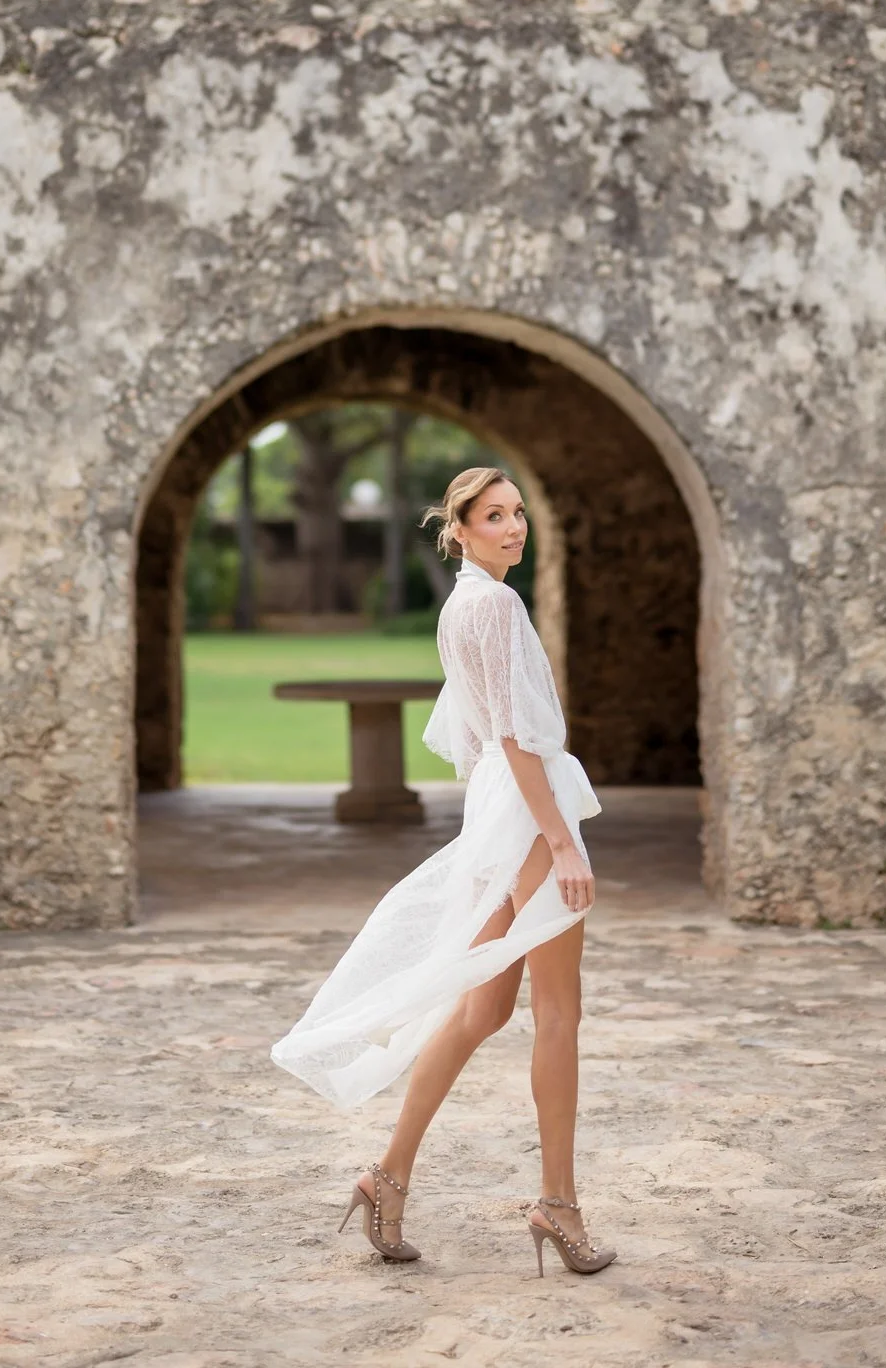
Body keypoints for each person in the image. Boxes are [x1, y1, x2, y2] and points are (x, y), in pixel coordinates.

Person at [271, 465, 615, 1277]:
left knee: (481, 1013)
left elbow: (475, 737)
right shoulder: (494, 604)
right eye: (494, 516)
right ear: (457, 528)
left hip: (502, 807)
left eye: (518, 513)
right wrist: (560, 842)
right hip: (528, 813)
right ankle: (557, 1205)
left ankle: (386, 1177)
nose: (513, 527)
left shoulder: (464, 603)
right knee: (557, 1013)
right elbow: (519, 738)